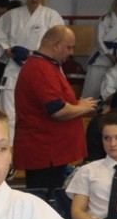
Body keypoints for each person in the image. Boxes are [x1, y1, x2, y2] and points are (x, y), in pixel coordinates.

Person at [12, 26, 96, 190]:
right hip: (45, 152)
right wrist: (83, 107)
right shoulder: (41, 68)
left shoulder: (45, 66)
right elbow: (57, 110)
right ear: (56, 45)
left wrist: (76, 106)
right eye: (69, 47)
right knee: (45, 197)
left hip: (50, 152)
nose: (71, 52)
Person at [0, 0, 63, 138]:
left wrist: (38, 55)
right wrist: (7, 50)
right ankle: (8, 147)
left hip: (41, 68)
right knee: (9, 114)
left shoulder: (52, 16)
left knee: (40, 111)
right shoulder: (11, 16)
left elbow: (59, 43)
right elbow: (1, 39)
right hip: (15, 68)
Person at [82, 0, 117, 102]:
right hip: (101, 59)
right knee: (93, 88)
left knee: (114, 87)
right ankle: (86, 108)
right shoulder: (104, 20)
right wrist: (108, 54)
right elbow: (99, 40)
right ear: (115, 5)